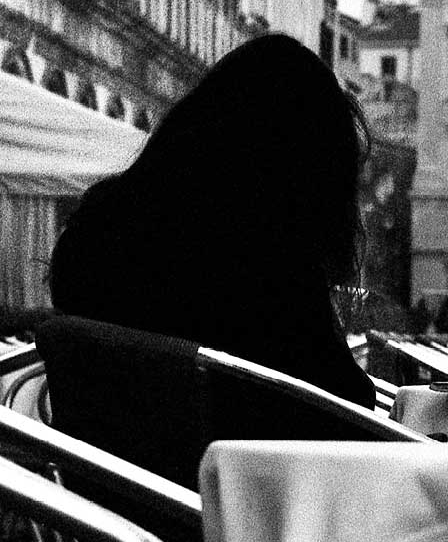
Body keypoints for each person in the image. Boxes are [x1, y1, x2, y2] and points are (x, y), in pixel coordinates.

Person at [49, 32, 376, 405]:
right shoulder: (267, 262)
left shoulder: (99, 226)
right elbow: (344, 399)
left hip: (97, 462)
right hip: (228, 461)